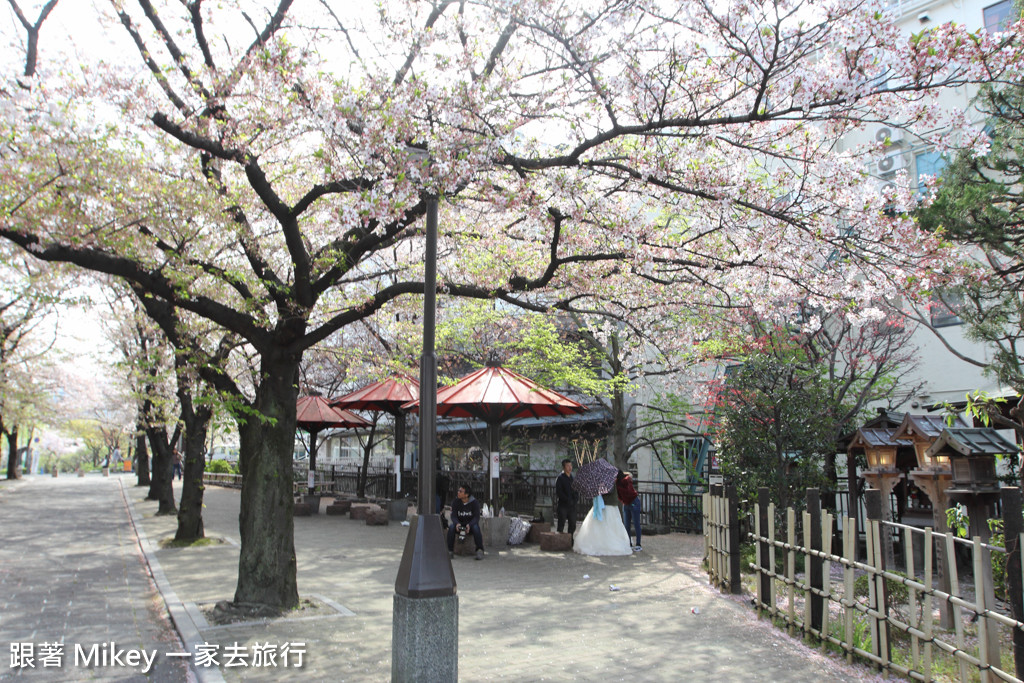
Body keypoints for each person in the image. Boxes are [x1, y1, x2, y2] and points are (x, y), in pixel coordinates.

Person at [573, 487, 633, 557]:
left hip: (608, 505)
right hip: (605, 505)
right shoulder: (608, 480)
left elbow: (610, 491)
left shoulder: (608, 481)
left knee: (609, 525)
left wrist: (600, 490)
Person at [447, 485, 484, 560]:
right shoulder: (455, 502)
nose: (458, 493)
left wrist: (469, 525)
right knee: (451, 527)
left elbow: (476, 517)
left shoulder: (474, 503)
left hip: (470, 525)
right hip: (459, 524)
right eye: (458, 491)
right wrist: (457, 523)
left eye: (460, 491)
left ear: (466, 494)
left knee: (476, 528)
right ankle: (450, 550)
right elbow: (453, 515)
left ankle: (479, 549)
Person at [617, 469, 642, 551]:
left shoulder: (626, 481)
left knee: (636, 523)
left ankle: (638, 544)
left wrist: (619, 488)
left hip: (633, 502)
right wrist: (623, 501)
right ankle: (629, 543)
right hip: (626, 503)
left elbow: (629, 493)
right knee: (627, 525)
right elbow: (620, 496)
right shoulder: (618, 484)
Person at [555, 459, 577, 537]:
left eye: (570, 465)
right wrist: (567, 499)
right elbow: (559, 492)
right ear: (564, 467)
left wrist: (575, 500)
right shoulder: (560, 478)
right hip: (563, 505)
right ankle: (559, 541)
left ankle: (570, 540)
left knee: (573, 524)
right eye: (567, 466)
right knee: (561, 524)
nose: (570, 467)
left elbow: (575, 490)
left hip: (572, 506)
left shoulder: (572, 478)